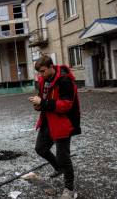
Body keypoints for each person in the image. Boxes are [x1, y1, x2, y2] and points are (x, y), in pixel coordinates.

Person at [28, 55, 81, 199]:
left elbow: (66, 105)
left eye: (43, 71)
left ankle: (69, 189)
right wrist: (39, 105)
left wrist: (44, 103)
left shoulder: (65, 80)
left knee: (63, 157)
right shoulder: (43, 80)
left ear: (51, 67)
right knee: (41, 148)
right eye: (39, 72)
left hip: (63, 123)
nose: (41, 75)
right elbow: (43, 99)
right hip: (48, 121)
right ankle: (59, 168)